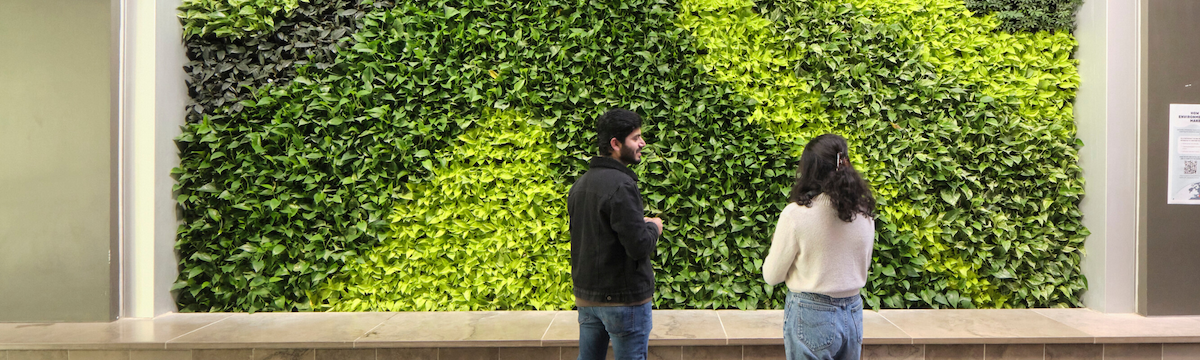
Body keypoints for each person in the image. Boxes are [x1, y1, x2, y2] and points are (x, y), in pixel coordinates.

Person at [762, 134, 877, 360]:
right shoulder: (864, 214)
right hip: (853, 312)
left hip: (810, 314)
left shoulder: (796, 215)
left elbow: (771, 276)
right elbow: (862, 265)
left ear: (810, 169)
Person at [568, 108, 664, 360]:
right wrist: (654, 226)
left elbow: (596, 234)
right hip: (624, 302)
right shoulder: (622, 185)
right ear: (615, 144)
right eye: (636, 138)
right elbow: (639, 246)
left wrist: (639, 223)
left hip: (588, 299)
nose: (642, 143)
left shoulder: (580, 185)